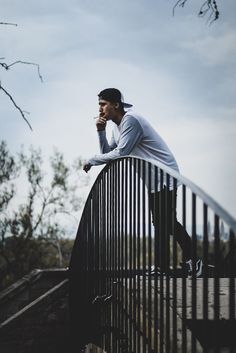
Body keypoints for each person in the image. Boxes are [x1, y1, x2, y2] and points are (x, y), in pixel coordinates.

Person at [83, 88, 203, 277]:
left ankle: (171, 266)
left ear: (115, 104)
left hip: (164, 174)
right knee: (165, 223)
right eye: (99, 105)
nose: (100, 109)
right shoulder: (116, 126)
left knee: (165, 223)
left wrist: (93, 160)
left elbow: (121, 153)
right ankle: (190, 261)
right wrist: (100, 131)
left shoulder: (131, 120)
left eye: (103, 104)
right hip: (153, 179)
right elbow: (109, 152)